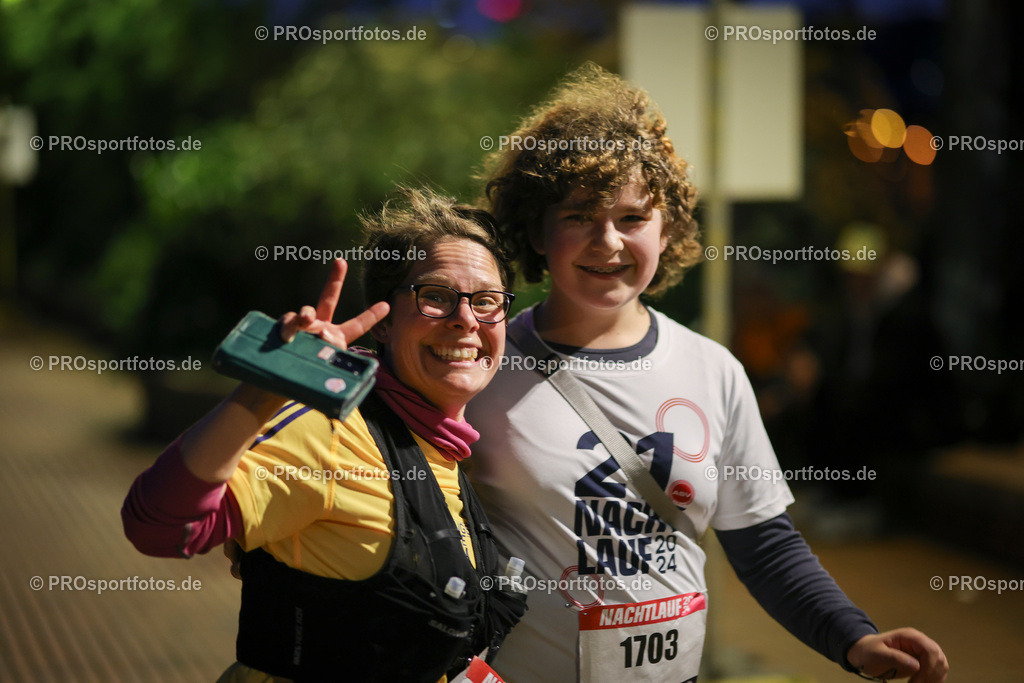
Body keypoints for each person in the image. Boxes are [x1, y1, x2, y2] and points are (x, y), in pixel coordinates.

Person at [465, 64, 948, 682]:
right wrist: (308, 369)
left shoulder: (711, 370)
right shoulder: (481, 364)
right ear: (536, 229)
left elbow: (766, 548)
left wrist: (855, 640)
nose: (608, 241)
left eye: (633, 218)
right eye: (579, 216)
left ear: (668, 230)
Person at [122, 188, 525, 682]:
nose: (466, 319)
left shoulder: (438, 443)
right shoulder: (333, 433)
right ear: (383, 322)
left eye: (486, 301)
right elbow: (159, 525)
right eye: (436, 297)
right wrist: (265, 390)